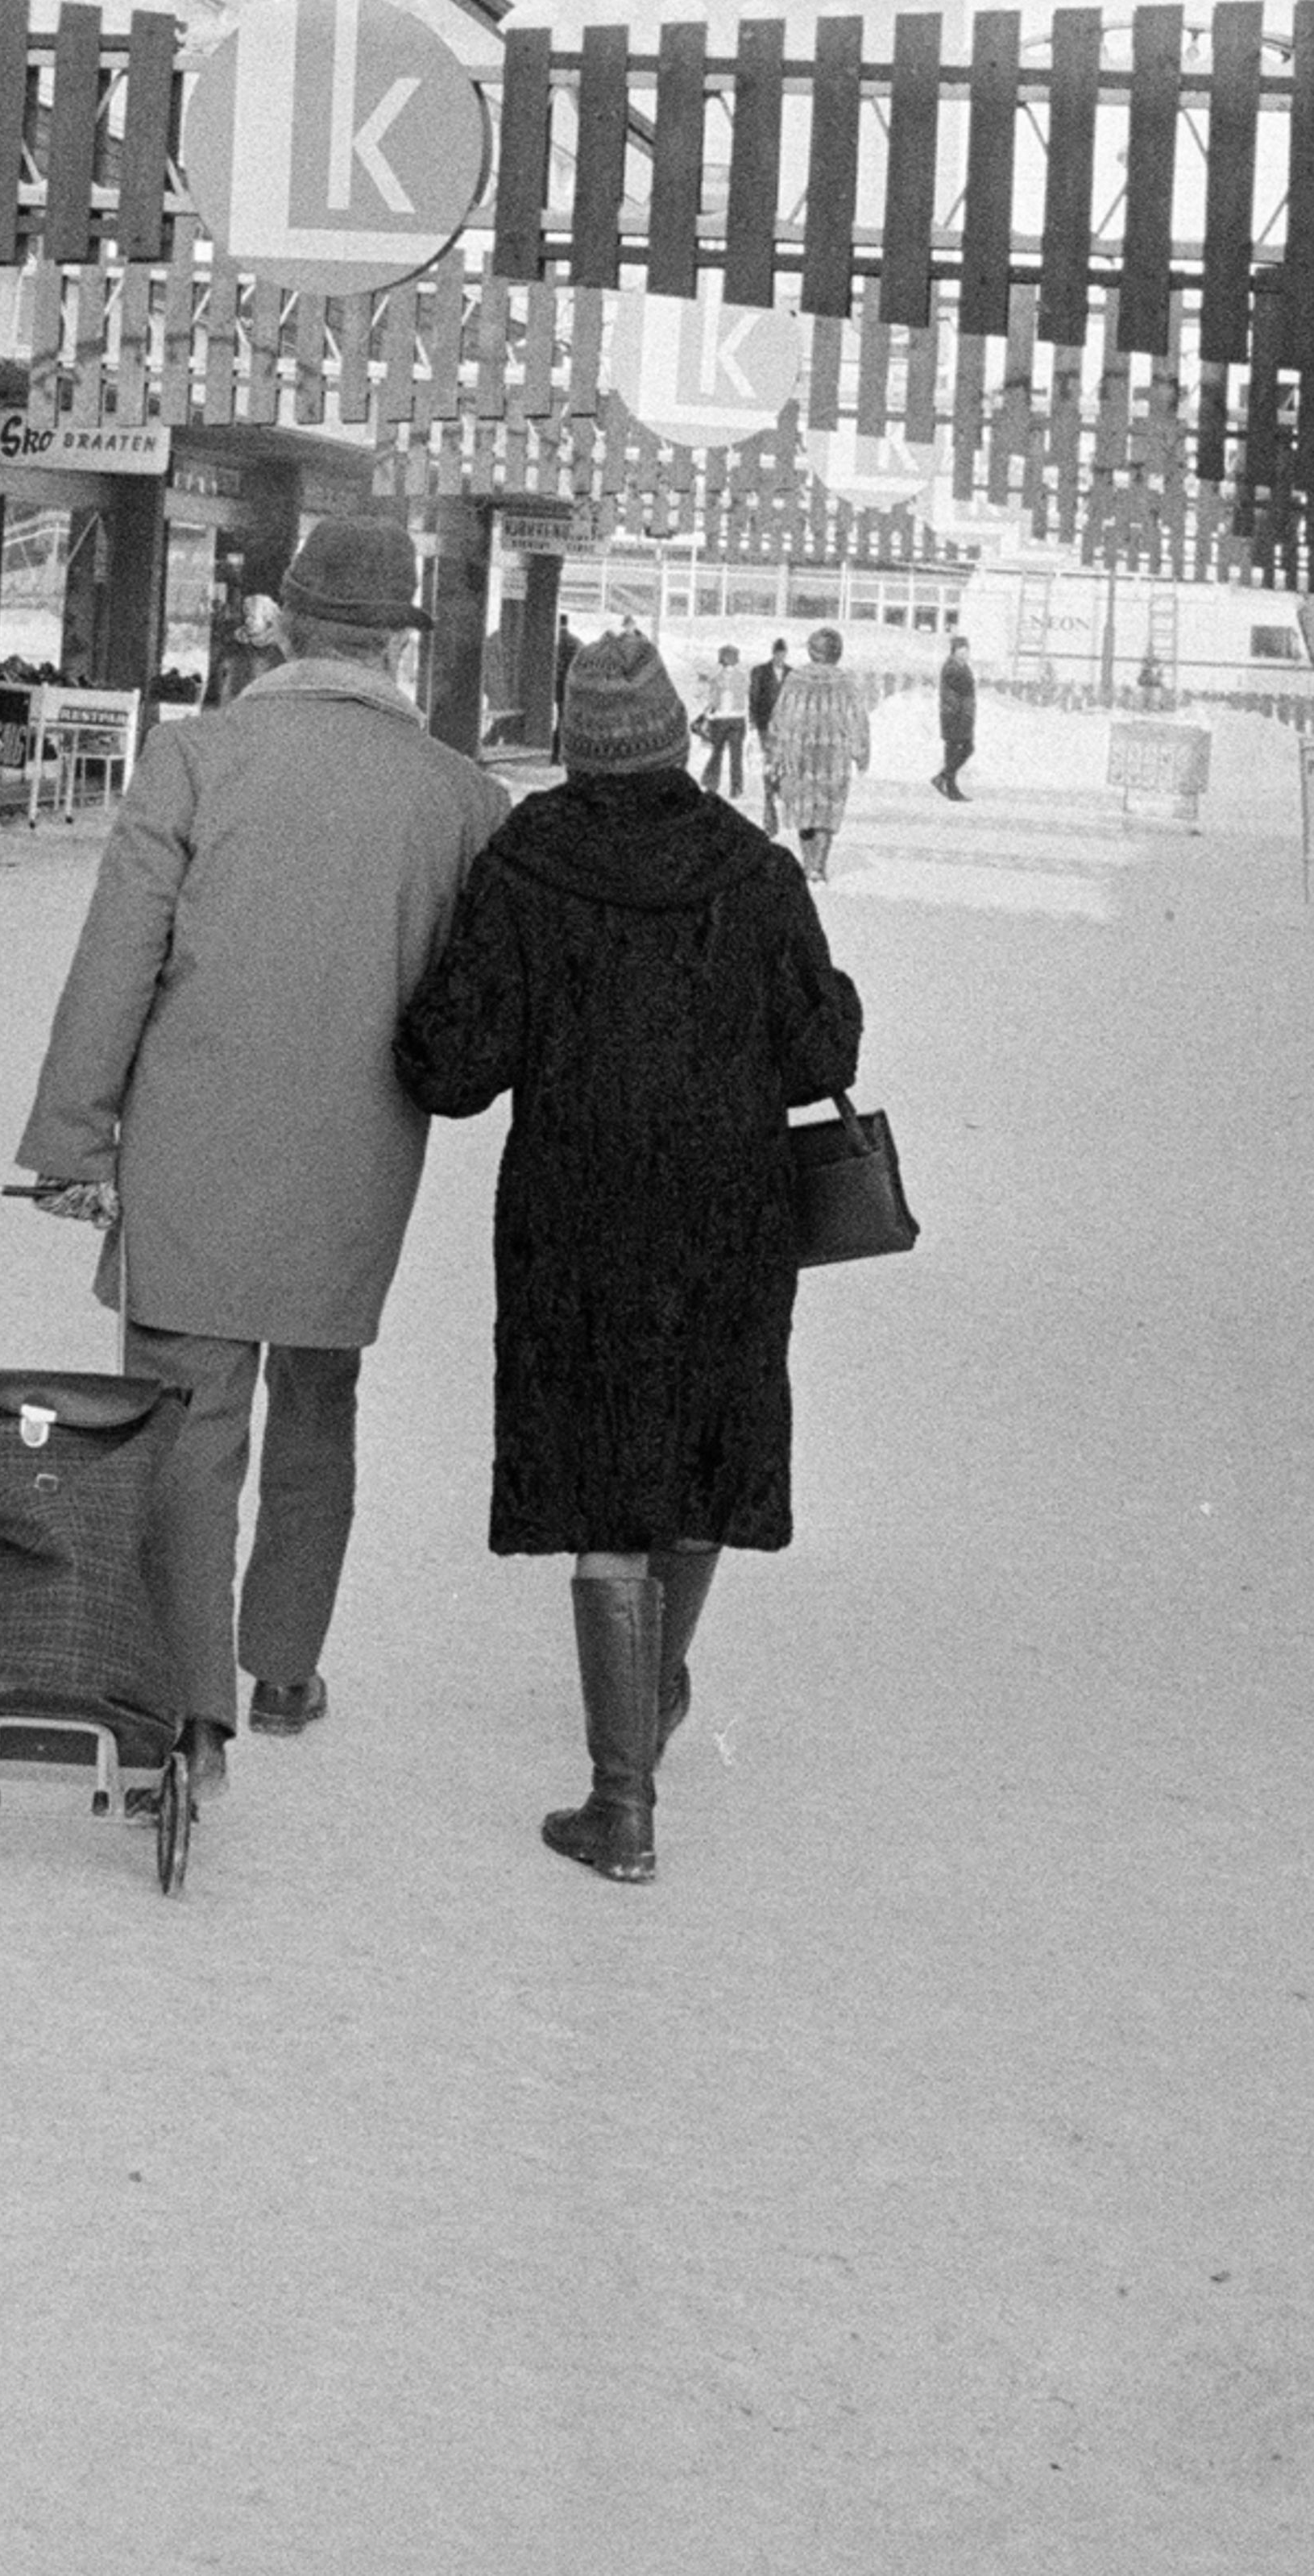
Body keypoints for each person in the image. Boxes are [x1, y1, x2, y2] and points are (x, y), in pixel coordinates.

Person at [15, 512, 506, 1800]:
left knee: (187, 1416)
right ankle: (285, 1663)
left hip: (192, 1144)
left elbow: (114, 962)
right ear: (397, 644)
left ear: (280, 627)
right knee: (321, 1396)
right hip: (362, 1149)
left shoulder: (193, 759)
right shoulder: (464, 799)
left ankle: (192, 1707)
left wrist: (74, 1137)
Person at [397, 624, 865, 1887]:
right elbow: (823, 1054)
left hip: (576, 1212)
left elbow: (453, 1067)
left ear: (575, 746)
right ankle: (649, 1693)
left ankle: (622, 1800)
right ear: (672, 739)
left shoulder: (527, 864)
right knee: (702, 1456)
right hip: (728, 1213)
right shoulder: (755, 869)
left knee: (602, 1477)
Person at [767, 623, 874, 881]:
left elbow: (780, 716)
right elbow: (857, 719)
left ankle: (808, 864)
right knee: (827, 810)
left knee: (803, 808)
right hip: (833, 757)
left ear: (812, 652)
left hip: (799, 753)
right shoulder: (846, 681)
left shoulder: (795, 679)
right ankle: (818, 865)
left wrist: (774, 750)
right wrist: (860, 752)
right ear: (837, 652)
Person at [746, 631, 793, 828]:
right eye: (778, 653)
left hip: (785, 723)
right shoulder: (760, 672)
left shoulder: (792, 673)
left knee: (782, 756)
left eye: (783, 654)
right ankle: (769, 787)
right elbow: (754, 696)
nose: (780, 657)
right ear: (773, 654)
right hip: (766, 721)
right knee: (769, 755)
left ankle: (778, 784)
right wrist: (753, 718)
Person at [698, 642, 752, 800]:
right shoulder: (742, 676)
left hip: (721, 719)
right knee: (735, 755)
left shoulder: (717, 677)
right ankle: (736, 788)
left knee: (717, 752)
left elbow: (707, 695)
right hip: (737, 718)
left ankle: (711, 784)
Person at [933, 633, 977, 803]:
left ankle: (945, 780)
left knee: (961, 749)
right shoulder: (952, 668)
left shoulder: (962, 667)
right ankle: (948, 784)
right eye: (961, 650)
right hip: (954, 715)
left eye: (966, 650)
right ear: (954, 651)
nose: (965, 653)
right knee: (959, 749)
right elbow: (961, 689)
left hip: (962, 715)